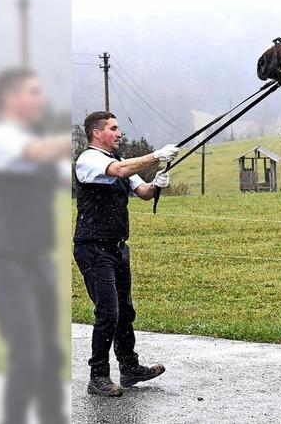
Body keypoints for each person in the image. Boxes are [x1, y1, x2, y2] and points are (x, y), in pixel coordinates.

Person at [0, 68, 69, 424]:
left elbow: (64, 174)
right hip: (3, 260)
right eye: (33, 92)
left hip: (37, 258)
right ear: (10, 99)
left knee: (50, 353)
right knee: (27, 353)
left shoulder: (35, 140)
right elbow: (38, 152)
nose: (40, 99)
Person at [73, 111, 179, 397]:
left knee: (125, 311)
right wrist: (155, 155)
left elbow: (142, 191)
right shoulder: (89, 160)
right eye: (114, 128)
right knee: (108, 312)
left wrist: (157, 184)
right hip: (93, 247)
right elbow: (119, 172)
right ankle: (97, 377)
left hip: (118, 246)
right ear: (97, 133)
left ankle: (129, 369)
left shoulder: (119, 162)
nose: (119, 133)